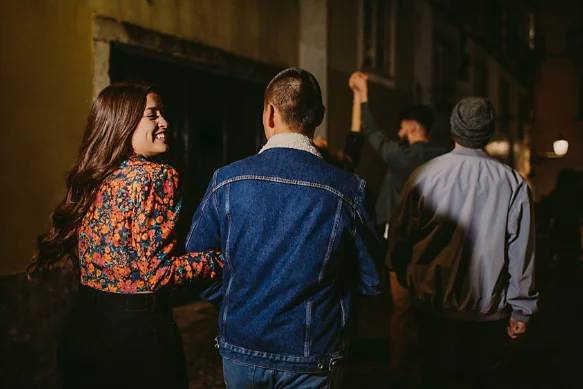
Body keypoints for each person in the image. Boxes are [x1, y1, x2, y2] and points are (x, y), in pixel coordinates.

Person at [186, 68, 384, 389]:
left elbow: (196, 260)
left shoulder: (226, 180)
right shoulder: (348, 189)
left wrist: (234, 298)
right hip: (312, 352)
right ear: (318, 116)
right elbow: (371, 280)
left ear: (269, 113)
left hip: (242, 344)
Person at [28, 82, 223, 389]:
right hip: (137, 338)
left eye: (162, 113)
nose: (165, 123)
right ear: (124, 122)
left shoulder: (93, 175)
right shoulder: (156, 176)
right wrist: (215, 261)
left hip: (83, 329)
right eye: (152, 115)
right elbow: (157, 274)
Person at [387, 97, 538, 388]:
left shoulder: (423, 176)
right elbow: (521, 250)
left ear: (454, 128)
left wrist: (405, 274)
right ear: (489, 132)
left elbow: (400, 235)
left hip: (433, 308)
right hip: (487, 313)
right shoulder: (512, 183)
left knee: (435, 378)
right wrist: (521, 308)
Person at [349, 71, 447, 387]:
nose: (399, 132)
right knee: (433, 309)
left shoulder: (407, 156)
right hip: (438, 242)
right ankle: (434, 367)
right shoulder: (446, 157)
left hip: (404, 244)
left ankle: (398, 372)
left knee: (401, 309)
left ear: (412, 127)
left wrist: (363, 95)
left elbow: (371, 132)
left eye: (402, 127)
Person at [548, 168, 582, 286]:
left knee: (562, 256)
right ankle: (570, 280)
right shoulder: (577, 194)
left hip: (561, 228)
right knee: (572, 256)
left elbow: (549, 211)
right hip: (572, 228)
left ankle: (564, 280)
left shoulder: (556, 194)